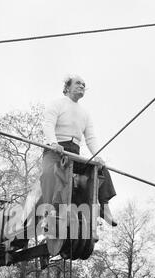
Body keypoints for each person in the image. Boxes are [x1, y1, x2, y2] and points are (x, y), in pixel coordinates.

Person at [41, 74, 117, 226]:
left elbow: (90, 138)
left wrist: (97, 157)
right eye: (78, 83)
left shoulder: (85, 113)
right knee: (49, 173)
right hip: (54, 150)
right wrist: (54, 143)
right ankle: (48, 213)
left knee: (100, 168)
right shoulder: (57, 104)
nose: (82, 86)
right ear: (67, 87)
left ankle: (104, 207)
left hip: (74, 152)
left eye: (84, 84)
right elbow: (48, 125)